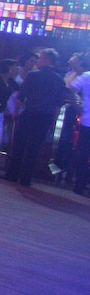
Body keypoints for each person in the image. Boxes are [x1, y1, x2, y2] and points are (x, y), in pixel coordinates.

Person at [4, 48, 67, 186]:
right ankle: (26, 178)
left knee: (19, 144)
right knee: (34, 147)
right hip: (46, 116)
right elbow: (58, 105)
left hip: (30, 112)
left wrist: (15, 111)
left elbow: (21, 96)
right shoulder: (59, 80)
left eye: (40, 58)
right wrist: (53, 121)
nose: (38, 61)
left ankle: (12, 174)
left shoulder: (33, 75)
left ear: (47, 59)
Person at [68, 53, 90, 194]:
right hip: (87, 120)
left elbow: (72, 88)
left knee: (83, 152)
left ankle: (80, 184)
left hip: (87, 121)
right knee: (83, 153)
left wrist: (77, 103)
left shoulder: (87, 75)